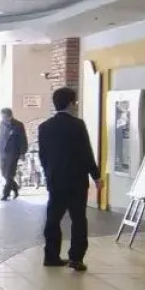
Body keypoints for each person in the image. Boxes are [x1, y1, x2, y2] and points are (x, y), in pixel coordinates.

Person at [36, 86, 100, 270]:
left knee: (53, 219)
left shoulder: (44, 127)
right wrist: (95, 176)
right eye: (75, 102)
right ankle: (76, 258)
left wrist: (49, 173)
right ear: (71, 103)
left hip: (55, 179)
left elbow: (43, 155)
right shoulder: (78, 125)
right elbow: (86, 153)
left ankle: (51, 256)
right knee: (78, 219)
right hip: (76, 181)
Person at [0, 107, 28, 201]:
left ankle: (5, 194)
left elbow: (23, 139)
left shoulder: (18, 125)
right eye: (2, 117)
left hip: (13, 152)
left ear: (9, 116)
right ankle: (15, 188)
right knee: (4, 173)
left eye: (4, 117)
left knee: (9, 173)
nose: (3, 119)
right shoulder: (2, 124)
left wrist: (22, 152)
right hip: (3, 152)